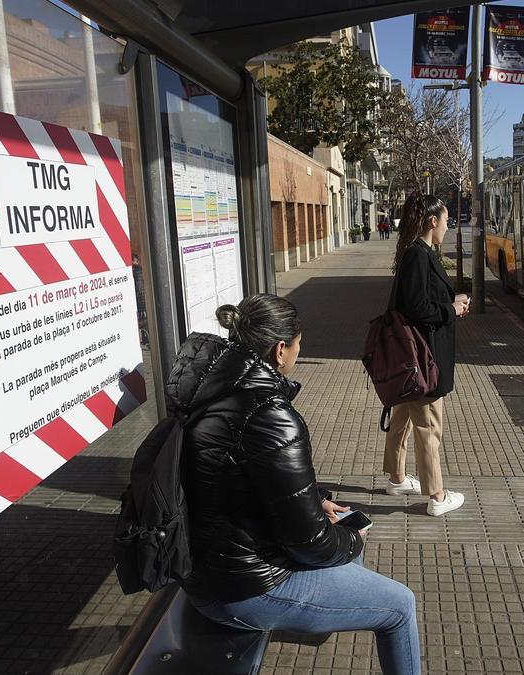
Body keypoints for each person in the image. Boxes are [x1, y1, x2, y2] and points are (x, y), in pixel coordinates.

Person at [173, 294, 420, 675]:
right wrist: (354, 536)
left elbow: (244, 479)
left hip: (209, 568)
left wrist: (314, 499)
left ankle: (326, 610)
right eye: (299, 345)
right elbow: (309, 544)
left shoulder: (213, 387)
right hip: (242, 590)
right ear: (280, 349)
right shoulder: (270, 415)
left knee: (341, 540)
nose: (299, 353)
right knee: (399, 604)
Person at [384, 193, 469, 517]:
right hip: (424, 358)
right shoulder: (419, 255)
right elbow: (418, 307)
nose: (447, 227)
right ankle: (436, 495)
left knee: (404, 418)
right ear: (433, 221)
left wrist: (450, 301)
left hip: (411, 358)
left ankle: (396, 477)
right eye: (446, 221)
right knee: (429, 427)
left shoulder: (413, 253)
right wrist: (452, 308)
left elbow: (414, 301)